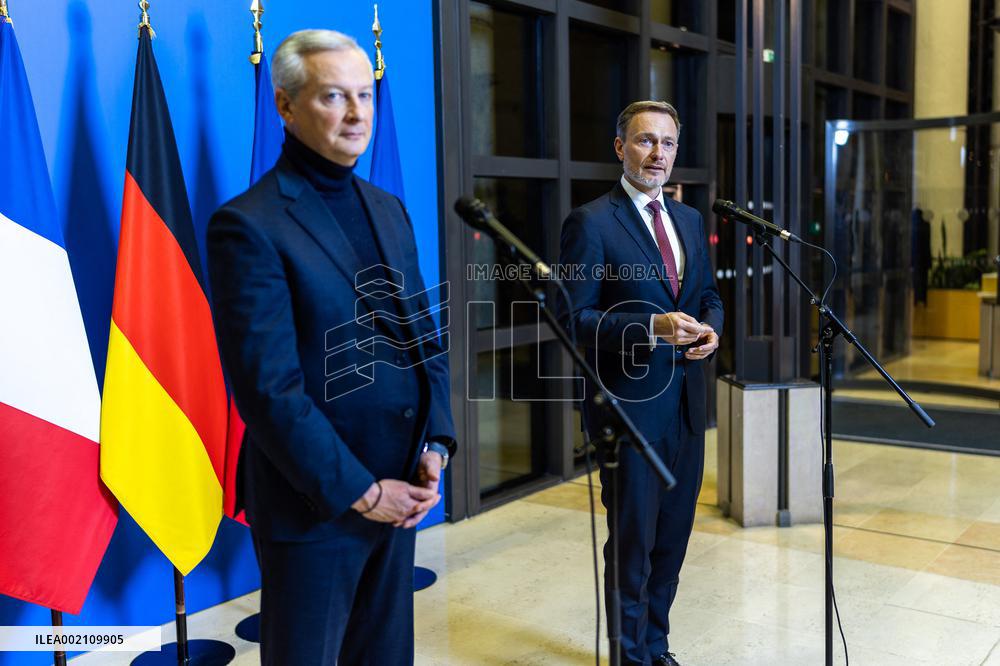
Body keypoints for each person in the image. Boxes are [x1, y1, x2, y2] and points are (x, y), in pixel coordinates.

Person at [207, 29, 456, 666]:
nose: (356, 114)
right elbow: (268, 391)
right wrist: (364, 493)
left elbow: (424, 336)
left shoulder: (388, 208)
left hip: (402, 484)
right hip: (317, 503)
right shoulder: (248, 224)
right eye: (333, 97)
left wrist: (436, 443)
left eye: (365, 96)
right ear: (286, 106)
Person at [558, 100, 724, 666]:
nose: (658, 154)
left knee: (672, 542)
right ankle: (629, 658)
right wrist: (652, 326)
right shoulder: (591, 222)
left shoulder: (690, 221)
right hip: (628, 415)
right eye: (646, 141)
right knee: (633, 548)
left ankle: (656, 647)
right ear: (620, 147)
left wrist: (712, 333)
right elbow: (572, 319)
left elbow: (707, 298)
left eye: (669, 144)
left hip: (686, 409)